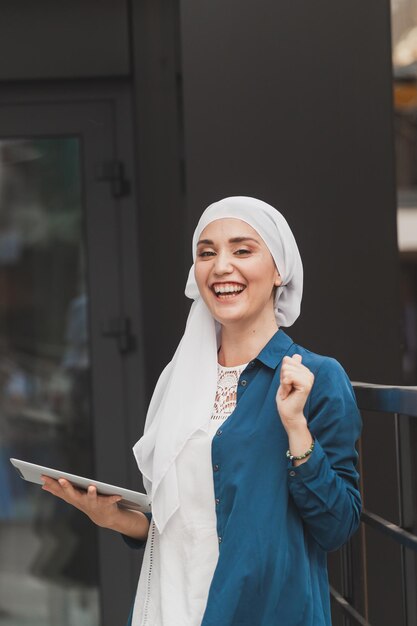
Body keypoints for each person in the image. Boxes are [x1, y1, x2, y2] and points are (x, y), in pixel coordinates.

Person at [41, 196, 362, 626]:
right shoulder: (180, 379)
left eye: (242, 250)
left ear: (279, 269)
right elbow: (190, 519)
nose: (221, 265)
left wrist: (296, 429)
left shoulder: (316, 377)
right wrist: (119, 519)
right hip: (173, 608)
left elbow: (337, 526)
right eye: (207, 252)